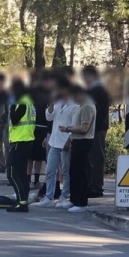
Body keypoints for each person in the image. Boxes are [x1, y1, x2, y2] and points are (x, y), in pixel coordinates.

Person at [36, 76, 75, 208]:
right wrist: (51, 104)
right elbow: (49, 117)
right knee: (50, 171)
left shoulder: (74, 105)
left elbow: (75, 124)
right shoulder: (57, 103)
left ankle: (64, 197)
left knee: (65, 172)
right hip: (54, 141)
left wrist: (69, 140)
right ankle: (49, 197)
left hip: (65, 143)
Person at [61, 84, 96, 213]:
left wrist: (68, 129)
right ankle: (74, 200)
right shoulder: (81, 106)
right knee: (74, 172)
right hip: (77, 140)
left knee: (81, 173)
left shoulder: (87, 106)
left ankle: (82, 203)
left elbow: (84, 128)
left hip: (84, 141)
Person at [6, 79, 35, 212]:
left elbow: (14, 119)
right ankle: (23, 201)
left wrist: (12, 106)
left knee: (12, 173)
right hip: (27, 141)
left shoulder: (21, 103)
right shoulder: (30, 102)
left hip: (19, 141)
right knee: (22, 173)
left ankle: (21, 201)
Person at [82, 66, 110, 198]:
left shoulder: (100, 90)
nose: (84, 79)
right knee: (89, 158)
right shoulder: (90, 90)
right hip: (90, 128)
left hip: (97, 129)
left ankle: (96, 187)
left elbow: (101, 112)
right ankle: (89, 185)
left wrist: (93, 126)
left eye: (86, 76)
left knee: (96, 157)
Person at [29, 69, 51, 187]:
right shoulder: (31, 94)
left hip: (43, 129)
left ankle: (36, 180)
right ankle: (28, 180)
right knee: (30, 157)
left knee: (38, 158)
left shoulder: (49, 94)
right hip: (31, 128)